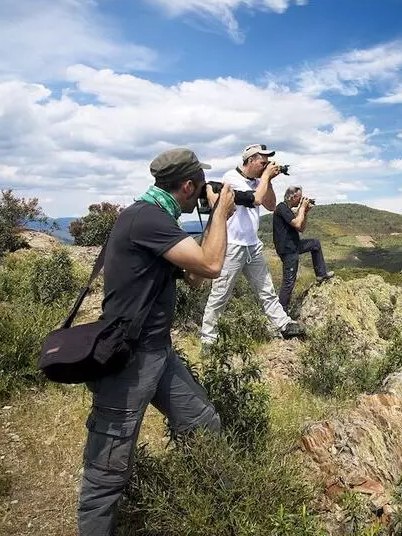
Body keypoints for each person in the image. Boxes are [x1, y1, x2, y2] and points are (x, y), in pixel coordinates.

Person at [77, 147, 236, 535]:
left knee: (202, 424)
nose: (202, 193)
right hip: (128, 359)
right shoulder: (147, 220)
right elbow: (213, 265)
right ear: (186, 185)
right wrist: (219, 214)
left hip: (157, 353)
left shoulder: (155, 217)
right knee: (107, 471)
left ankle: (211, 511)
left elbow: (199, 275)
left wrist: (212, 220)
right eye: (199, 188)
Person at [200, 143, 304, 348]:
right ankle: (208, 338)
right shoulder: (231, 178)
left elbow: (271, 205)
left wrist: (269, 181)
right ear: (250, 160)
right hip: (232, 245)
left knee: (266, 289)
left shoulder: (259, 181)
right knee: (220, 293)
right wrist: (265, 178)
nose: (266, 164)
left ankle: (283, 325)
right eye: (262, 161)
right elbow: (255, 200)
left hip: (252, 245)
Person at [273, 185, 334, 309]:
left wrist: (304, 212)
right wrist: (302, 208)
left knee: (315, 244)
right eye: (299, 198)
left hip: (294, 246)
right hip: (288, 250)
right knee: (289, 283)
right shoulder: (281, 207)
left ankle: (321, 274)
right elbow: (296, 222)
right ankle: (281, 312)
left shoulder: (288, 210)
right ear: (293, 196)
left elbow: (301, 227)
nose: (301, 201)